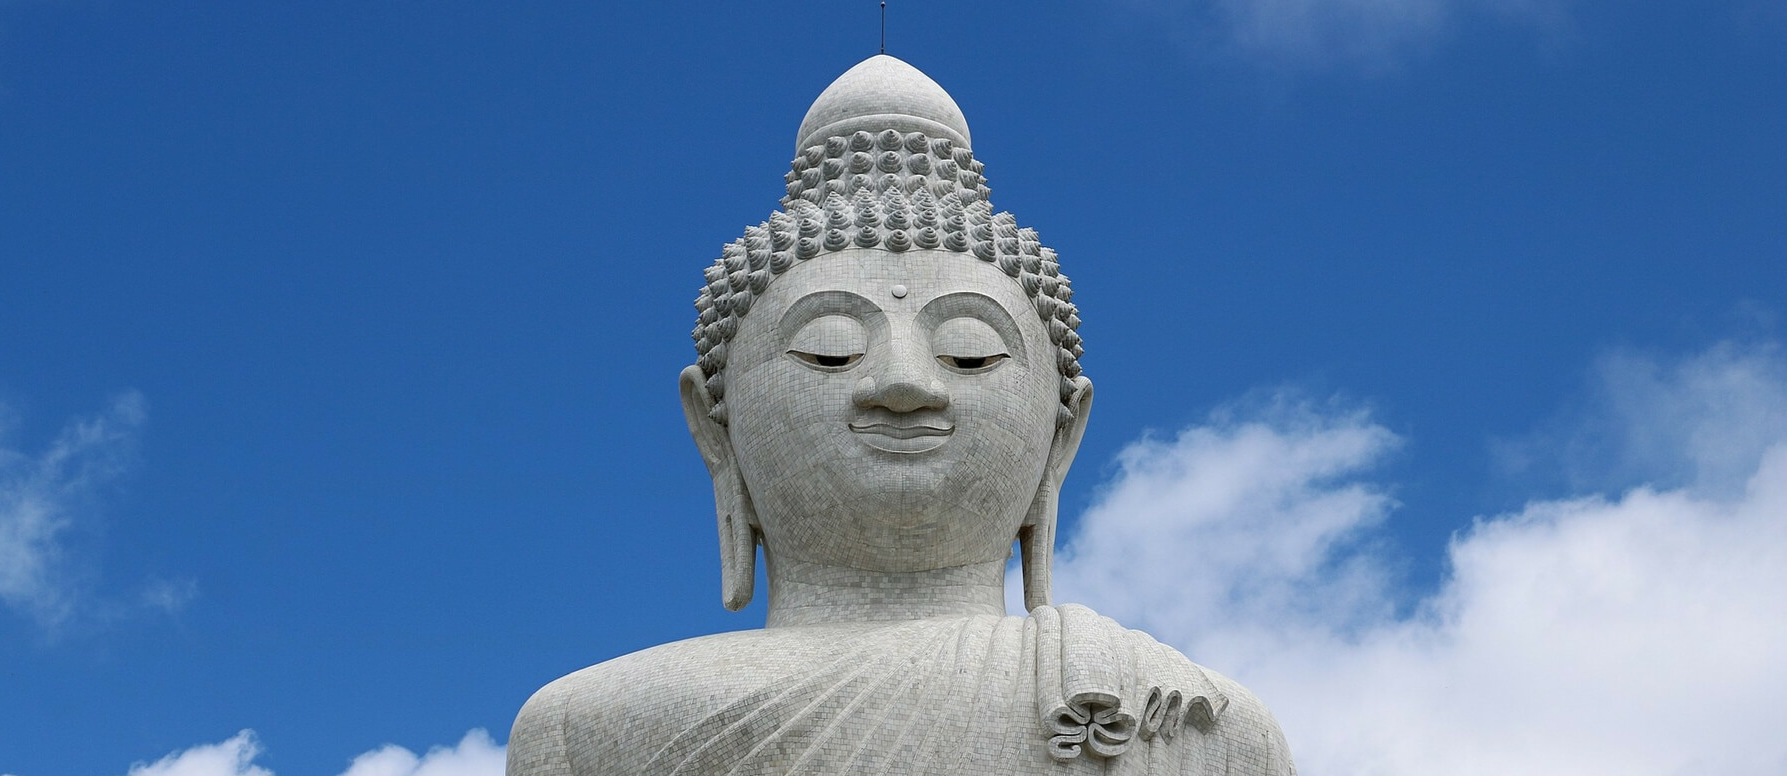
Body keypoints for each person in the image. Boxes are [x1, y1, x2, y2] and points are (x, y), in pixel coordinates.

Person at [506, 55, 1297, 776]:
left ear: (1063, 435)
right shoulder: (585, 731)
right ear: (715, 429)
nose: (904, 383)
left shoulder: (1184, 725)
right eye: (827, 348)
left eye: (970, 352)